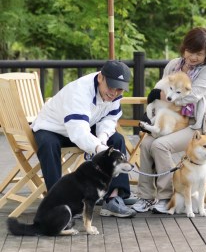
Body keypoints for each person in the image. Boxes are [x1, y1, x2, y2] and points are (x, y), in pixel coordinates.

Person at [31, 60, 136, 218]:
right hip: (52, 127)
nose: (114, 92)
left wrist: (102, 138)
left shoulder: (114, 95)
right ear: (101, 77)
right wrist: (98, 148)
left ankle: (113, 199)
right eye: (111, 86)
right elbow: (78, 132)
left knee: (117, 139)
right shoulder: (79, 92)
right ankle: (59, 204)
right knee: (48, 145)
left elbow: (109, 120)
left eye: (119, 88)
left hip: (83, 125)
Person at [133, 27, 206, 214]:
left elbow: (192, 96)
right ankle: (145, 196)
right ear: (184, 48)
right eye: (190, 51)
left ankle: (165, 197)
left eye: (199, 54)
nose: (193, 57)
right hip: (173, 118)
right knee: (147, 143)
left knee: (160, 146)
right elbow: (162, 88)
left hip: (196, 125)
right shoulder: (173, 65)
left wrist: (163, 95)